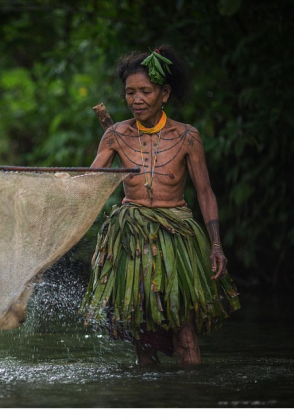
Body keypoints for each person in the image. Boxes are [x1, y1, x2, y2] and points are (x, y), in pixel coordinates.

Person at [81, 45, 240, 365]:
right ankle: (150, 397)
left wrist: (216, 245)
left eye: (145, 91)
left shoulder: (187, 137)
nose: (136, 99)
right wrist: (69, 183)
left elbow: (206, 192)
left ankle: (190, 398)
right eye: (130, 92)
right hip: (131, 239)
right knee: (140, 334)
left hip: (177, 237)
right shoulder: (115, 135)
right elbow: (90, 183)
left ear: (164, 93)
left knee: (185, 332)